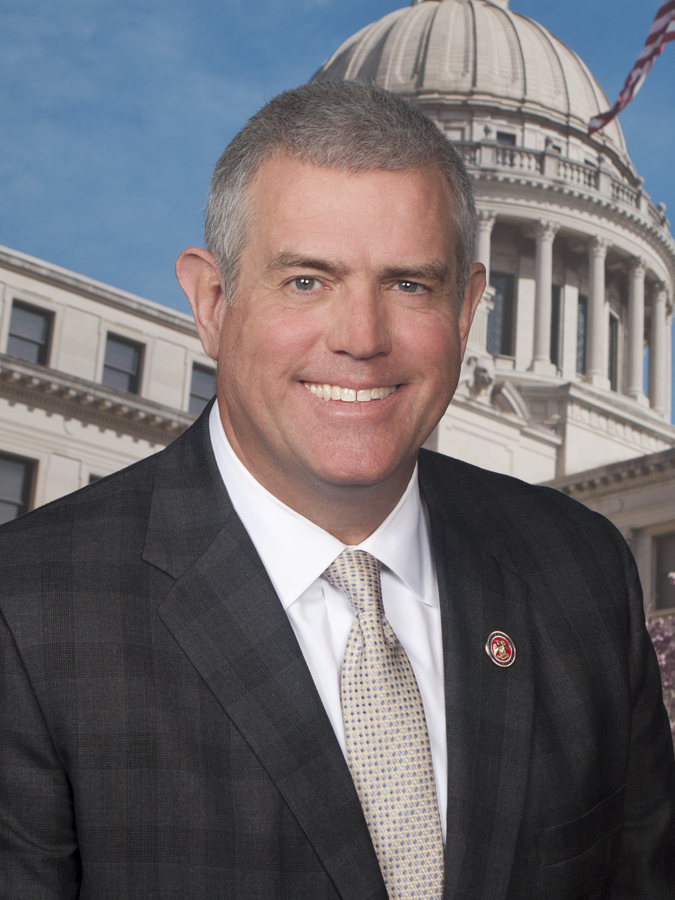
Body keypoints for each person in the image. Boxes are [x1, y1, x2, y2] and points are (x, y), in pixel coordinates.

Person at [0, 80, 673, 900]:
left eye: (409, 284)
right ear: (213, 303)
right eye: (306, 281)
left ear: (468, 309)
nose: (361, 340)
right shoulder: (27, 609)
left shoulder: (578, 569)